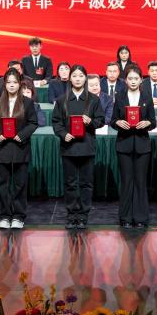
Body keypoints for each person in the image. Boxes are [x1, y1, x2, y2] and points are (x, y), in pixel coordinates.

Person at [51, 65, 105, 229]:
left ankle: (83, 215)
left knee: (86, 183)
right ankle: (72, 214)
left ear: (85, 78)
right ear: (70, 78)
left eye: (81, 76)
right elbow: (56, 122)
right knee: (70, 183)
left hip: (87, 146)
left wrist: (91, 122)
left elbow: (101, 121)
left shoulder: (93, 99)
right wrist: (63, 134)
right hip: (69, 147)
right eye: (74, 76)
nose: (77, 79)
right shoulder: (62, 100)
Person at [0, 69, 39, 229]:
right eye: (9, 82)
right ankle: (5, 216)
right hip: (3, 146)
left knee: (19, 183)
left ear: (20, 84)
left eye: (15, 82)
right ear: (4, 84)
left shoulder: (27, 102)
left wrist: (21, 135)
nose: (11, 85)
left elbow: (33, 123)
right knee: (3, 184)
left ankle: (18, 216)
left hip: (20, 147)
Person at [111, 64, 154, 228]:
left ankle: (141, 217)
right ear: (126, 80)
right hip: (124, 144)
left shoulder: (147, 97)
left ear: (141, 79)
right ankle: (126, 217)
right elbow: (113, 120)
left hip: (142, 145)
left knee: (140, 181)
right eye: (130, 78)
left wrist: (147, 123)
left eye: (136, 78)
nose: (133, 81)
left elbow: (153, 121)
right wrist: (118, 122)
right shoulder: (120, 97)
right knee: (127, 181)